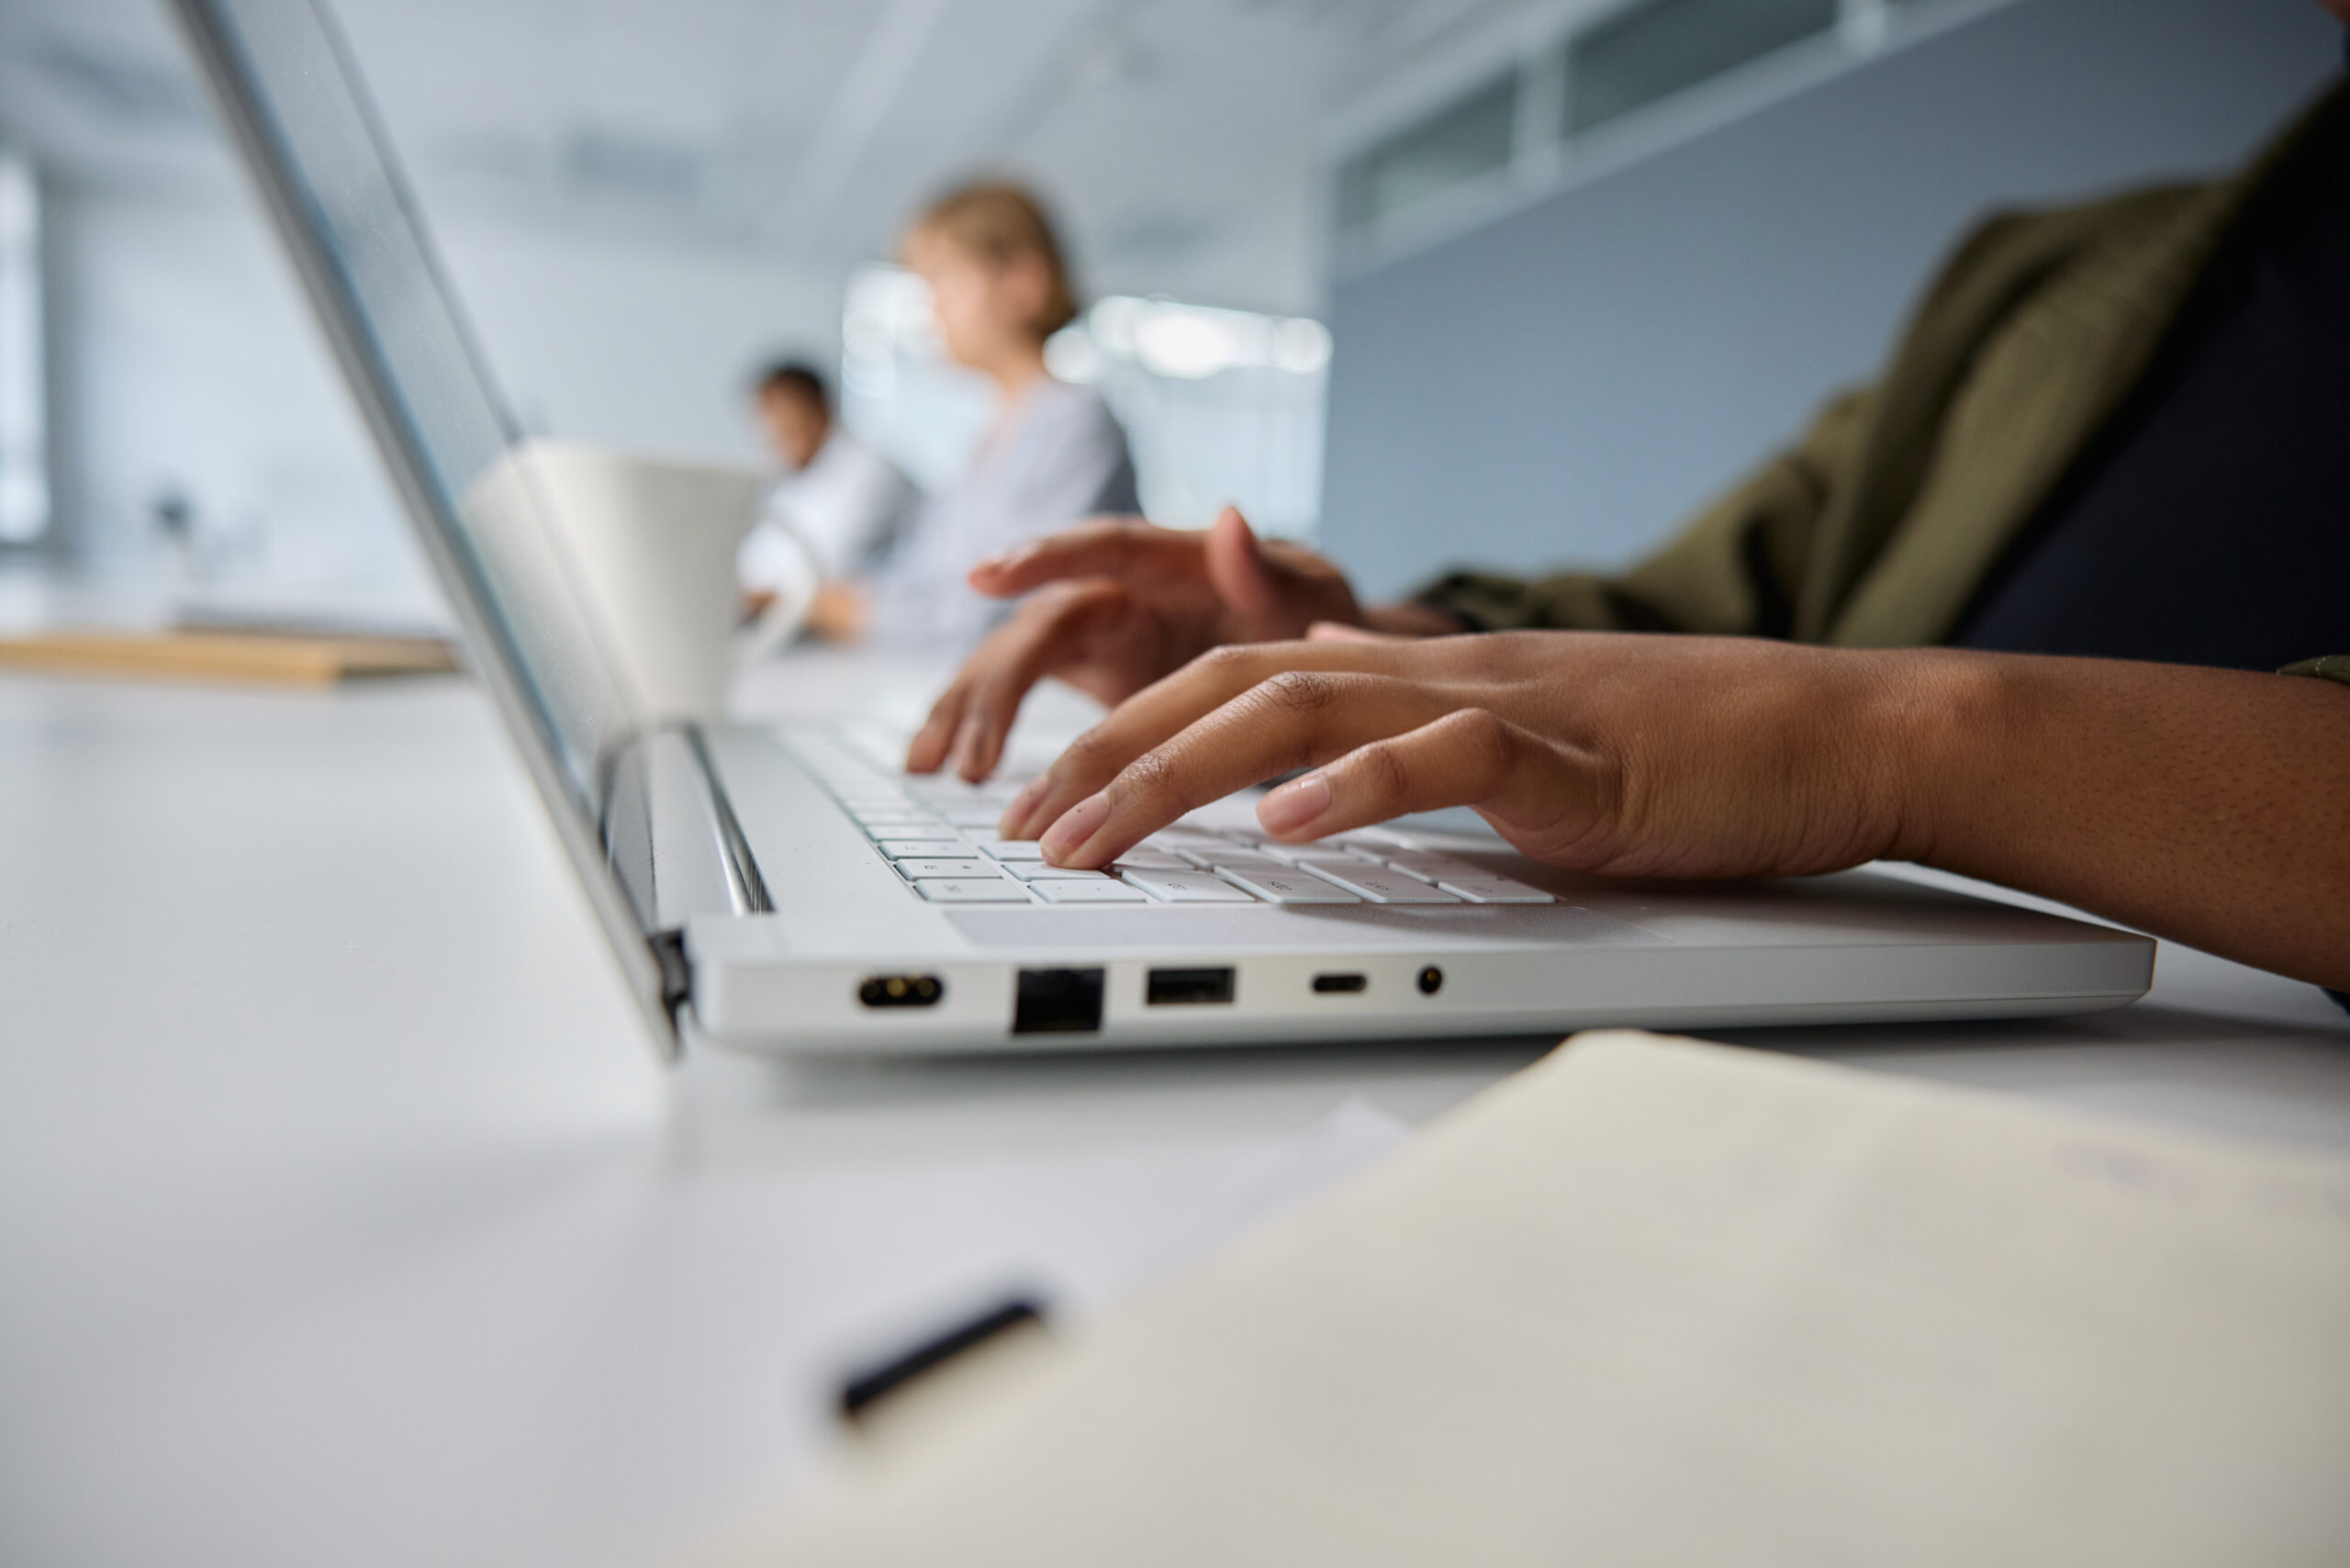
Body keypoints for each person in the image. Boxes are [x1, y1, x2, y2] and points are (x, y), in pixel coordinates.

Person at [903, 20, 2350, 1000]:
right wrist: (1362, 647)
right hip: (1876, 992)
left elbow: (1804, 704)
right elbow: (1699, 606)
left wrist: (1879, 739)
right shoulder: (2045, 279)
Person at [811, 181, 1139, 650]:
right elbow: (929, 576)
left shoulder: (1079, 426)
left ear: (1022, 283)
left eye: (944, 279)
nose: (933, 306)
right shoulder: (991, 433)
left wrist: (848, 610)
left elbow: (1012, 611)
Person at [737, 361, 917, 611]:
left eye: (787, 418)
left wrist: (756, 597)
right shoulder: (792, 488)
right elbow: (755, 567)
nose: (774, 432)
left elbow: (827, 570)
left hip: (869, 636)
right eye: (767, 422)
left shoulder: (871, 475)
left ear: (820, 407)